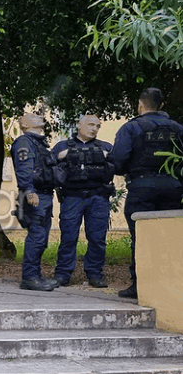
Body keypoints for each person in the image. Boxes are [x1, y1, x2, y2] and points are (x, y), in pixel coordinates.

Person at [109, 88, 183, 299]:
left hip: (141, 188)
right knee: (171, 237)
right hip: (173, 187)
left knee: (140, 238)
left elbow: (118, 160)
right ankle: (170, 284)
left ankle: (139, 286)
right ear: (161, 106)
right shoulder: (177, 128)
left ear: (140, 105)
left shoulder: (131, 128)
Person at [51, 114, 115, 288]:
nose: (94, 128)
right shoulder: (62, 146)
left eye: (97, 126)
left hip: (98, 197)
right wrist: (62, 156)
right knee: (69, 237)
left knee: (97, 237)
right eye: (91, 124)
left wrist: (106, 156)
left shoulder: (106, 147)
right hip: (72, 197)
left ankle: (95, 273)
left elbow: (118, 164)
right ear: (80, 125)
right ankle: (63, 274)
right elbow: (48, 163)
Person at [11, 113, 60, 291]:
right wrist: (29, 190)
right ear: (24, 124)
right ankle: (29, 278)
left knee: (42, 238)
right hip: (35, 196)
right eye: (33, 116)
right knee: (37, 237)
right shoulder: (25, 142)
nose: (39, 117)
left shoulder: (38, 143)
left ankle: (36, 275)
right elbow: (24, 169)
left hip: (44, 195)